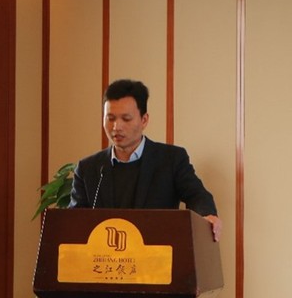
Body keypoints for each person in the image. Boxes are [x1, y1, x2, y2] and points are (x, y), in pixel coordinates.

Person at [69, 79, 222, 241]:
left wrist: (207, 215)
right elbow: (73, 221)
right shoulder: (88, 168)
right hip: (103, 255)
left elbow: (196, 195)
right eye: (110, 118)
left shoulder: (170, 160)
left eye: (126, 119)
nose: (116, 127)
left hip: (156, 252)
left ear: (144, 120)